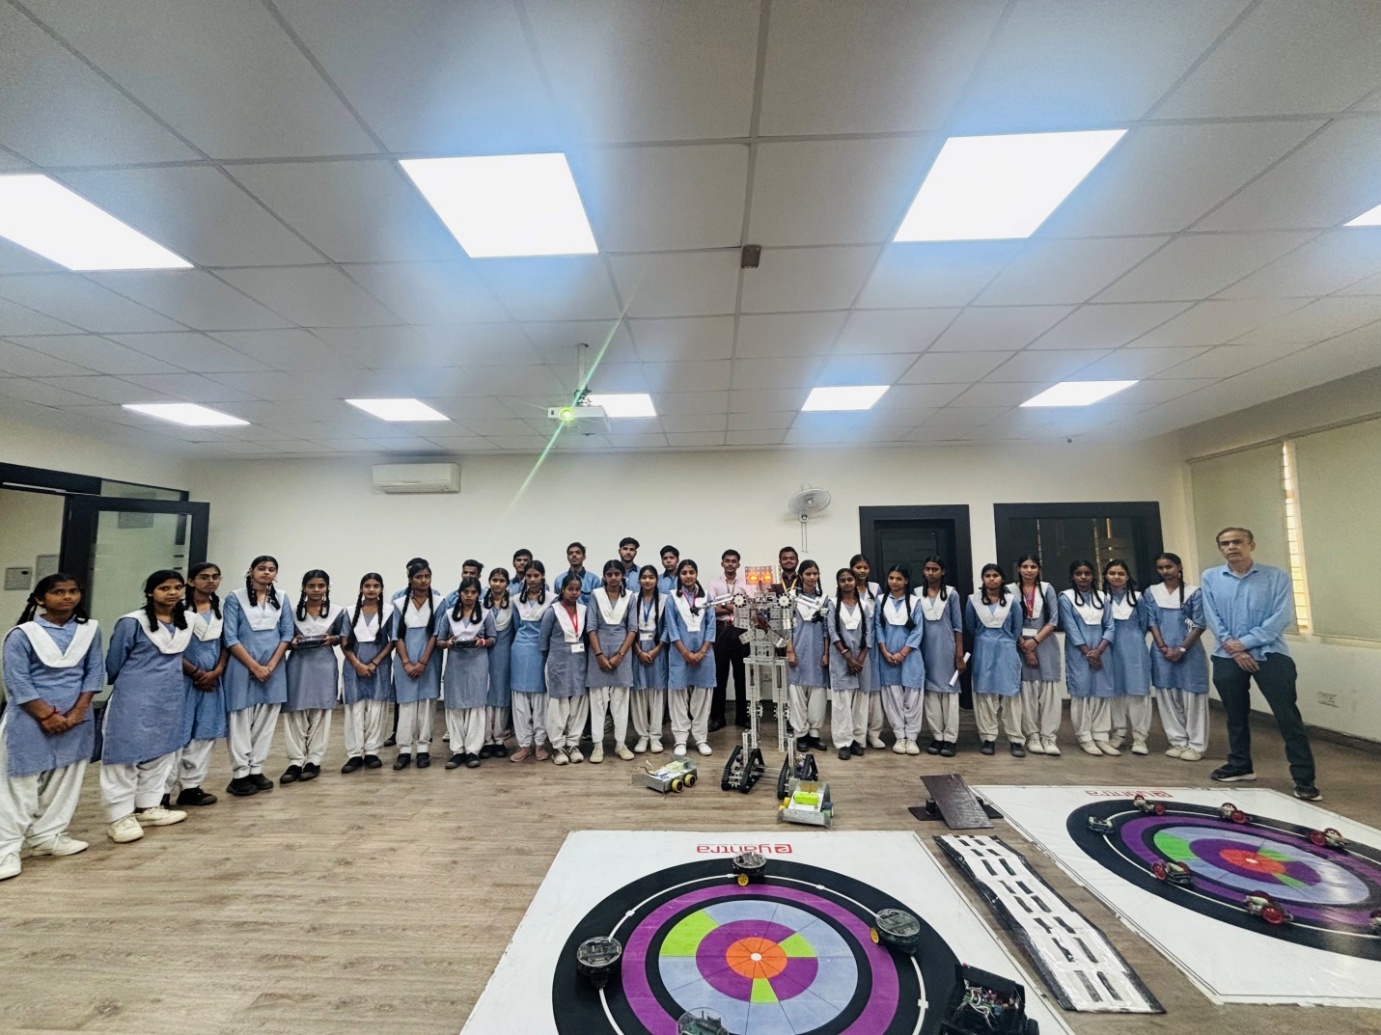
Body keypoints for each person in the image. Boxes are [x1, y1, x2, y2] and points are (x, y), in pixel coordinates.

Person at [1200, 527, 1319, 800]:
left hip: (1271, 654)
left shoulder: (1276, 576)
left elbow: (1281, 617)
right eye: (1225, 543)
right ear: (1220, 549)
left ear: (1251, 544)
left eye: (1237, 542)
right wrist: (1235, 649)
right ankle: (1240, 765)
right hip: (1227, 654)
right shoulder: (1211, 577)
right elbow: (1213, 616)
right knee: (1235, 715)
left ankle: (1304, 779)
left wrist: (1245, 643)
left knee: (1287, 717)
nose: (1231, 547)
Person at [0, 574, 101, 880]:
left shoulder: (89, 630)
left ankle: (47, 836)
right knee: (19, 783)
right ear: (40, 599)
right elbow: (17, 680)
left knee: (65, 777)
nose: (67, 597)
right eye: (58, 592)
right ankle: (6, 849)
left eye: (73, 591)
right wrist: (46, 715)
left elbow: (93, 673)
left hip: (76, 717)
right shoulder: (22, 634)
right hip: (30, 718)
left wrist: (78, 711)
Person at [102, 571, 192, 843]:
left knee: (162, 750)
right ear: (150, 592)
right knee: (124, 754)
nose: (172, 592)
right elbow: (114, 661)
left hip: (169, 696)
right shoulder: (132, 623)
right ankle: (119, 816)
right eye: (165, 588)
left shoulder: (185, 622)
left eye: (177, 587)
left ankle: (147, 806)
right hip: (134, 696)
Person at [223, 555, 294, 796]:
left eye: (271, 569)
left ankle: (256, 768)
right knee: (240, 719)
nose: (266, 572)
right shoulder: (235, 598)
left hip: (274, 668)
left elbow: (287, 633)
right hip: (242, 666)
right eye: (261, 568)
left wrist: (271, 665)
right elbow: (230, 636)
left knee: (267, 719)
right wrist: (254, 666)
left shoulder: (281, 598)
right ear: (251, 571)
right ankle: (240, 773)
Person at [170, 562, 227, 806]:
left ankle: (191, 787)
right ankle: (162, 791)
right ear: (191, 581)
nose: (210, 581)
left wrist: (217, 671)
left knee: (204, 733)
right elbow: (169, 646)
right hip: (182, 679)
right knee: (177, 733)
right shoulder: (177, 608)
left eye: (215, 576)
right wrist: (195, 672)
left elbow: (226, 644)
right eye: (204, 577)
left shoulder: (220, 610)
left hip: (212, 681)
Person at [281, 569, 346, 784]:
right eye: (311, 586)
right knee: (295, 712)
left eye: (321, 586)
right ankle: (295, 760)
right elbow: (283, 638)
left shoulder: (337, 612)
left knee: (320, 712)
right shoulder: (291, 612)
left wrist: (333, 639)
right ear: (304, 587)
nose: (316, 590)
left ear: (327, 587)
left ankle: (314, 760)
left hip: (323, 665)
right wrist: (291, 643)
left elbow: (344, 637)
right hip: (298, 665)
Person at [1146, 552, 1209, 762]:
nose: (1165, 571)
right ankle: (1177, 741)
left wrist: (1181, 649)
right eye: (1161, 568)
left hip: (1189, 652)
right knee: (1167, 695)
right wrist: (1163, 647)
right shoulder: (1152, 592)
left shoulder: (1194, 593)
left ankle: (1196, 745)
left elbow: (1199, 624)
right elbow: (1152, 622)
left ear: (1179, 567)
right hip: (1162, 652)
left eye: (1169, 567)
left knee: (1193, 696)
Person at [1059, 560, 1117, 757]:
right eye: (1078, 573)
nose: (1083, 577)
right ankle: (1084, 736)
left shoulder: (1102, 597)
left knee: (1102, 693)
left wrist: (1099, 651)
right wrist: (1088, 653)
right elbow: (1071, 628)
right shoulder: (1066, 598)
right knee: (1081, 693)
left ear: (1093, 575)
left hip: (1102, 650)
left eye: (1087, 573)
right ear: (1072, 576)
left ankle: (1101, 736)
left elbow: (1110, 626)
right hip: (1079, 652)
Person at [966, 564, 1025, 757]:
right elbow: (971, 626)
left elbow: (1017, 628)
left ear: (1002, 578)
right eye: (987, 575)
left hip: (1006, 651)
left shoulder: (1012, 602)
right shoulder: (973, 601)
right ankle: (988, 737)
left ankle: (1015, 739)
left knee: (1011, 695)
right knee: (984, 695)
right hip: (983, 651)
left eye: (995, 575)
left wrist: (1005, 641)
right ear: (983, 579)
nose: (992, 579)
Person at [438, 577, 495, 770]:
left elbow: (493, 638)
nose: (469, 596)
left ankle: (472, 750)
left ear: (478, 594)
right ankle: (458, 750)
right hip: (456, 663)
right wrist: (448, 643)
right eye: (465, 592)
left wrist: (482, 642)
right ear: (459, 593)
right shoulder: (449, 615)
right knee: (455, 705)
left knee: (476, 706)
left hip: (477, 662)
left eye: (473, 592)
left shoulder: (486, 614)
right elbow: (439, 641)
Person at [392, 559, 443, 771]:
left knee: (427, 704)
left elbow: (436, 633)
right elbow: (396, 635)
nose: (423, 580)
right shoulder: (398, 602)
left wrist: (422, 662)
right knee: (406, 706)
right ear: (410, 579)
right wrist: (406, 662)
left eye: (427, 576)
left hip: (429, 661)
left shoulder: (438, 601)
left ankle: (423, 749)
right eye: (419, 577)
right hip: (405, 662)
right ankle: (404, 750)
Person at [340, 573, 393, 773]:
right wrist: (357, 664)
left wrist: (374, 663)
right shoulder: (349, 612)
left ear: (381, 589)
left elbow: (392, 641)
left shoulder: (389, 611)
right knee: (354, 709)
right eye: (367, 585)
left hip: (379, 666)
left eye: (376, 586)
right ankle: (354, 754)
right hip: (354, 665)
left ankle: (372, 751)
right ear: (361, 589)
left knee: (376, 708)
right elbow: (344, 642)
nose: (371, 589)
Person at [664, 559, 717, 757]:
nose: (688, 576)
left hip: (704, 654)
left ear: (696, 574)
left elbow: (711, 626)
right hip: (680, 654)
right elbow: (671, 627)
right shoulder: (672, 598)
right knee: (678, 697)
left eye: (691, 572)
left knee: (703, 696)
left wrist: (702, 652)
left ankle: (701, 738)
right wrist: (685, 652)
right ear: (679, 576)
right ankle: (680, 740)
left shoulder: (706, 598)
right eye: (684, 572)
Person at [1010, 555, 1062, 756]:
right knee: (1027, 693)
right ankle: (1032, 735)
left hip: (1045, 643)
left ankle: (1049, 737)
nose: (1029, 570)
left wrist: (1035, 642)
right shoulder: (1010, 590)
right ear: (1019, 569)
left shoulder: (1047, 589)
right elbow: (1010, 621)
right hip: (1021, 645)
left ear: (1039, 569)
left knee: (1048, 692)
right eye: (1025, 566)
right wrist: (1026, 647)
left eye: (1033, 566)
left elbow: (1053, 620)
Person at [586, 560, 637, 763]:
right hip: (597, 655)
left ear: (622, 576)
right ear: (604, 576)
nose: (613, 577)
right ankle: (597, 746)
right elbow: (591, 627)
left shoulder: (630, 597)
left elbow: (632, 628)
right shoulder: (596, 595)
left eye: (617, 574)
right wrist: (599, 655)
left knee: (620, 703)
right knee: (598, 702)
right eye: (609, 574)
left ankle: (620, 744)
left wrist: (620, 655)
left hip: (622, 655)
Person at [1104, 559, 1153, 756]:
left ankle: (1140, 737)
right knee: (1115, 692)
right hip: (1110, 648)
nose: (1116, 577)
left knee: (1137, 692)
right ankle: (1119, 732)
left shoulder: (1138, 598)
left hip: (1134, 648)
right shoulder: (1102, 599)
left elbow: (1144, 624)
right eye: (1112, 573)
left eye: (1121, 573)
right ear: (1105, 576)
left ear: (1127, 576)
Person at [876, 565, 925, 755]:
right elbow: (878, 628)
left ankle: (911, 738)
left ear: (906, 581)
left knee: (912, 697)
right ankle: (899, 736)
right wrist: (885, 651)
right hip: (887, 657)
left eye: (898, 578)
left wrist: (903, 653)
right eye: (891, 578)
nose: (894, 582)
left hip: (910, 656)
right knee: (893, 697)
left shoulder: (915, 601)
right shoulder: (881, 601)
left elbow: (918, 630)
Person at [917, 557, 963, 757]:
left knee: (949, 694)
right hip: (925, 648)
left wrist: (959, 654)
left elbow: (958, 626)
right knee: (931, 694)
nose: (931, 572)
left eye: (935, 569)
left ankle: (950, 738)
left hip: (947, 649)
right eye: (927, 569)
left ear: (942, 571)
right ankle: (937, 736)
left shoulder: (951, 594)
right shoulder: (917, 594)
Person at [542, 573, 590, 765]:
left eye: (577, 589)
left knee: (578, 703)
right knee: (559, 705)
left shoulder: (584, 610)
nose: (574, 593)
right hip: (559, 664)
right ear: (562, 590)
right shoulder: (552, 612)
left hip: (579, 663)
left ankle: (573, 744)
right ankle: (557, 746)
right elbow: (543, 642)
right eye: (570, 589)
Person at [826, 568, 870, 760]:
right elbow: (832, 631)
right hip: (840, 659)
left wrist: (860, 658)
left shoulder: (864, 605)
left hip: (861, 661)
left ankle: (857, 740)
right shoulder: (832, 604)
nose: (847, 583)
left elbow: (868, 633)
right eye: (842, 580)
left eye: (849, 579)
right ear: (838, 583)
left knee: (859, 703)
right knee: (841, 703)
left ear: (855, 581)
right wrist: (848, 657)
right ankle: (843, 742)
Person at [709, 548, 756, 730]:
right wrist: (734, 606)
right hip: (721, 630)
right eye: (727, 561)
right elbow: (711, 608)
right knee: (719, 676)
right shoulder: (714, 583)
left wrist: (724, 604)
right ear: (722, 563)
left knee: (741, 676)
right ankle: (718, 717)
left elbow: (749, 609)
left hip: (740, 630)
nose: (730, 564)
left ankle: (742, 717)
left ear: (738, 564)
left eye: (733, 561)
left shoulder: (745, 585)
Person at [509, 561, 551, 763]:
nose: (532, 579)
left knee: (540, 700)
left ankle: (540, 743)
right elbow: (515, 626)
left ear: (542, 577)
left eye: (536, 575)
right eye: (529, 576)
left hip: (541, 651)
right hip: (519, 651)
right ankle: (524, 744)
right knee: (520, 700)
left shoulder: (552, 599)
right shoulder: (516, 600)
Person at [785, 559, 828, 752]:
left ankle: (814, 733)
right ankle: (800, 734)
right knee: (797, 694)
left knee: (818, 693)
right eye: (808, 574)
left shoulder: (824, 599)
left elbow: (827, 629)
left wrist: (826, 653)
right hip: (798, 650)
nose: (812, 577)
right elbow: (786, 625)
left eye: (815, 574)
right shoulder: (791, 597)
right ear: (801, 576)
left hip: (818, 652)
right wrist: (790, 650)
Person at [849, 555, 886, 749]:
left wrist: (880, 644)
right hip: (853, 645)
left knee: (873, 689)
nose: (862, 571)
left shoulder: (875, 589)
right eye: (858, 567)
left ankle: (874, 732)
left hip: (872, 648)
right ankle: (857, 733)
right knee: (857, 691)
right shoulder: (847, 587)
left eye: (865, 567)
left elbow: (879, 620)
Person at [630, 565, 668, 753]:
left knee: (657, 693)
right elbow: (628, 626)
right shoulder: (632, 599)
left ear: (656, 580)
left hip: (657, 650)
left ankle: (655, 736)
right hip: (637, 650)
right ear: (639, 580)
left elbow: (668, 627)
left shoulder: (664, 600)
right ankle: (642, 736)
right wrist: (638, 652)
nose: (647, 580)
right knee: (639, 694)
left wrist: (656, 650)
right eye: (644, 577)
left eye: (651, 577)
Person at [482, 568, 514, 758]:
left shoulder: (513, 604)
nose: (497, 584)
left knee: (501, 695)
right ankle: (487, 740)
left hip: (504, 654)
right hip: (484, 654)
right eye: (494, 580)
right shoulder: (481, 604)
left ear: (507, 583)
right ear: (489, 582)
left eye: (501, 580)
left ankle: (499, 739)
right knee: (486, 694)